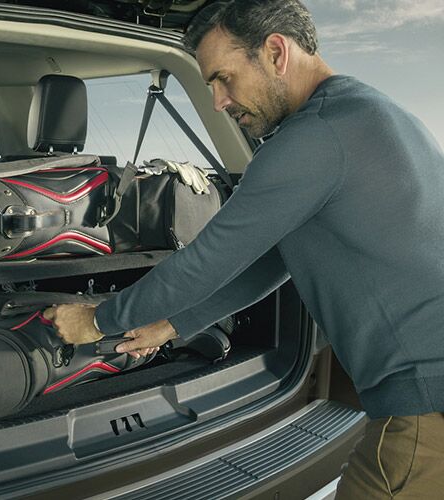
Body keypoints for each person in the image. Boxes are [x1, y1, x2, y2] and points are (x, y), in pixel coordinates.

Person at [43, 0, 444, 497]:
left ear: (276, 52)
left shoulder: (311, 138)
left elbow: (207, 260)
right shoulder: (370, 112)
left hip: (426, 412)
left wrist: (99, 319)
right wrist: (173, 324)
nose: (217, 100)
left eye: (224, 78)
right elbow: (273, 259)